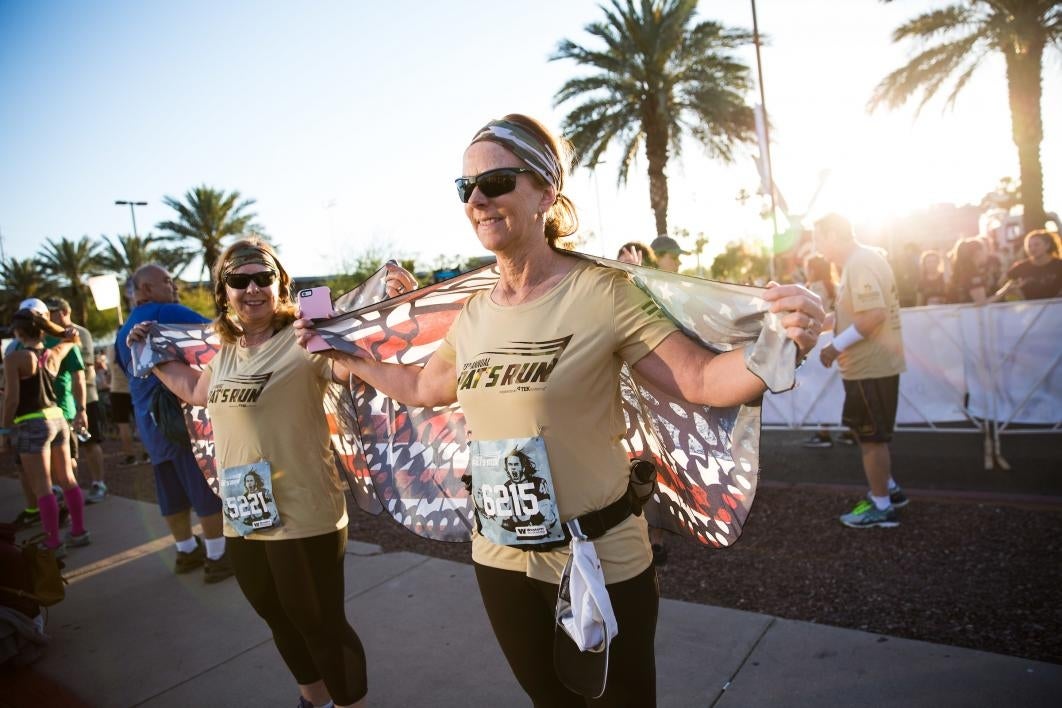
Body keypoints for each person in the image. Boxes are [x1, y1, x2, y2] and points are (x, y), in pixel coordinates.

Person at [295, 114, 824, 706]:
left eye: (496, 182)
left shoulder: (604, 292)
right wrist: (346, 358)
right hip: (499, 557)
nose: (477, 200)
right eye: (465, 187)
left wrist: (782, 341)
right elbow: (422, 388)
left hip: (600, 557)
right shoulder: (474, 315)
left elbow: (699, 379)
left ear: (547, 191)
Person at [128, 239, 415, 708]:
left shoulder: (305, 341)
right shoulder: (225, 353)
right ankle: (313, 700)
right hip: (244, 515)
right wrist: (154, 355)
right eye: (239, 281)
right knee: (277, 618)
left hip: (304, 513)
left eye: (262, 277)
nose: (252, 288)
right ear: (224, 292)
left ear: (281, 284)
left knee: (318, 622)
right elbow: (196, 392)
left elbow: (354, 368)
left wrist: (392, 308)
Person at [114, 265, 233, 584]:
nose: (174, 285)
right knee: (203, 487)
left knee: (170, 491)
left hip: (151, 427)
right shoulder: (166, 311)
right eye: (166, 281)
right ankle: (217, 556)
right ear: (145, 290)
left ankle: (185, 550)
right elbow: (217, 334)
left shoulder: (124, 329)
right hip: (180, 421)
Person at [815, 213, 909, 529]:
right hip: (867, 368)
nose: (817, 247)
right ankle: (889, 491)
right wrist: (818, 325)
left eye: (819, 238)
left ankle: (881, 506)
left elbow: (874, 315)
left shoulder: (860, 262)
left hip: (871, 368)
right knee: (868, 434)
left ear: (833, 235)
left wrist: (833, 347)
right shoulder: (860, 261)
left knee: (872, 439)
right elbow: (854, 314)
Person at [1, 308, 90, 555]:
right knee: (68, 480)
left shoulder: (15, 359)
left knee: (42, 487)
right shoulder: (53, 354)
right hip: (57, 418)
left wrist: (4, 430)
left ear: (18, 332)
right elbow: (72, 338)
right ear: (41, 329)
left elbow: (11, 399)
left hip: (31, 423)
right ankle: (79, 531)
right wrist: (63, 330)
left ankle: (53, 543)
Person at [46, 297, 108, 503]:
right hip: (63, 403)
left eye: (51, 311)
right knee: (66, 451)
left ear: (63, 311)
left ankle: (98, 483)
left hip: (86, 398)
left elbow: (86, 365)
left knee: (91, 442)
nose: (47, 316)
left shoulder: (80, 333)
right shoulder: (50, 335)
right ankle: (69, 490)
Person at [800, 254, 856, 449]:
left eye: (807, 267)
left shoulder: (816, 288)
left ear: (813, 269)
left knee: (821, 387)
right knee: (838, 386)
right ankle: (851, 429)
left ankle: (823, 432)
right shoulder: (834, 285)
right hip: (838, 337)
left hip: (821, 339)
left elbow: (814, 315)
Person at [990, 229, 1062, 301]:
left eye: (1037, 244)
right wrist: (1016, 291)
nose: (1032, 248)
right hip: (1029, 309)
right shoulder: (1021, 267)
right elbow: (1000, 283)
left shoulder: (1059, 265)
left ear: (1047, 245)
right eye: (1029, 246)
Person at [945, 237, 989, 304]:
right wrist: (1006, 290)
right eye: (984, 250)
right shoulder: (972, 274)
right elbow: (981, 302)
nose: (986, 253)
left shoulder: (961, 271)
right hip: (970, 313)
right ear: (977, 252)